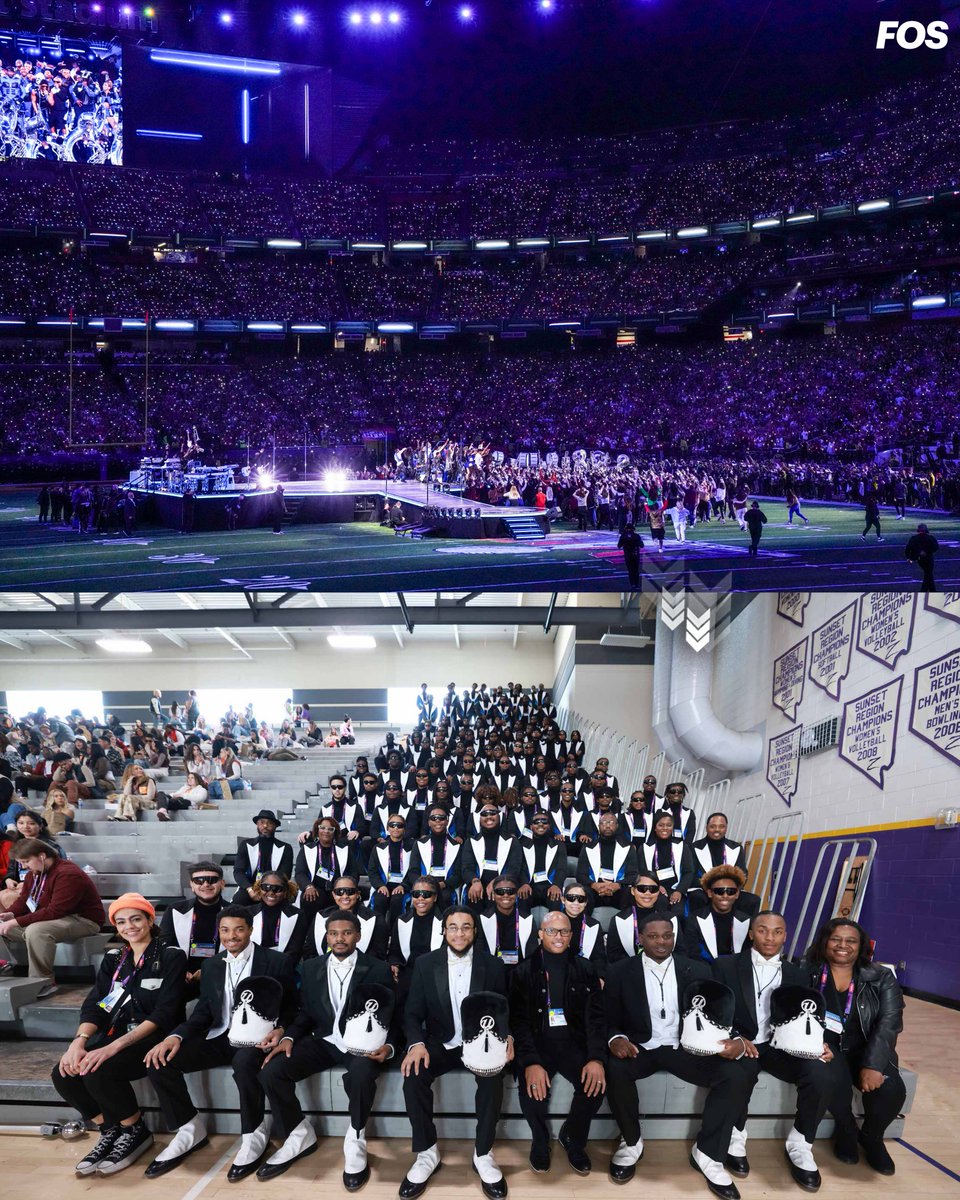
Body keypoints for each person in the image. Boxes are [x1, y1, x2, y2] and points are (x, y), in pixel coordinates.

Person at [143, 905, 298, 1180]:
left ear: (251, 930)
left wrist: (281, 1029)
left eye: (239, 929)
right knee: (160, 1062)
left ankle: (254, 1132)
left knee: (244, 1062)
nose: (231, 936)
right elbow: (204, 1011)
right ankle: (189, 1128)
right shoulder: (212, 965)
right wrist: (175, 1036)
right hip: (220, 1035)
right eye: (225, 930)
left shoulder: (276, 962)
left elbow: (290, 1007)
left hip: (257, 1039)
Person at [604, 913, 750, 1199]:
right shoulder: (619, 971)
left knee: (734, 1074)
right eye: (654, 936)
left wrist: (735, 1039)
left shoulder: (697, 969)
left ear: (674, 937)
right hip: (641, 1046)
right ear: (641, 938)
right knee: (615, 1069)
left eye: (667, 935)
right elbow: (607, 1017)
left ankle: (708, 1153)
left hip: (684, 1047)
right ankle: (631, 1142)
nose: (661, 941)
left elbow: (715, 1015)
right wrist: (615, 1038)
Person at [256, 911, 397, 1185]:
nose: (339, 938)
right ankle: (298, 1133)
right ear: (326, 936)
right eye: (333, 933)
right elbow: (306, 1013)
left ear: (358, 935)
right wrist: (289, 1037)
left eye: (346, 933)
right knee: (271, 1072)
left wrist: (390, 1046)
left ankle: (356, 1138)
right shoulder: (310, 967)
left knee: (360, 1076)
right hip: (324, 1039)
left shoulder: (378, 968)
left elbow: (392, 1013)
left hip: (361, 1044)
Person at [52, 894, 186, 1176]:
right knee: (63, 1072)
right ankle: (109, 1128)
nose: (129, 927)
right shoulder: (114, 959)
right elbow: (97, 1004)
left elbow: (164, 1013)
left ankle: (134, 1129)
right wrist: (79, 1042)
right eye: (121, 922)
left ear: (150, 920)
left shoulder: (171, 956)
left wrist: (113, 1048)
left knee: (98, 1071)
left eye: (136, 918)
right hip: (116, 1034)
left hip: (154, 1038)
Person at [713, 911, 838, 1190]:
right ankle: (736, 1137)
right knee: (739, 1074)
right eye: (763, 930)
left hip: (781, 1046)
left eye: (777, 932)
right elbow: (716, 1010)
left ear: (785, 935)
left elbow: (808, 1015)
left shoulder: (798, 973)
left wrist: (818, 1044)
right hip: (743, 1041)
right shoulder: (725, 965)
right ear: (750, 933)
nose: (770, 937)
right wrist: (735, 1037)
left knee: (820, 1074)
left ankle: (801, 1143)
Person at [400, 906, 512, 1200]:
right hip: (442, 1042)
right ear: (444, 930)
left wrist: (507, 1037)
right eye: (453, 927)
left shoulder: (494, 965)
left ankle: (483, 1152)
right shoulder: (425, 964)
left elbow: (504, 1010)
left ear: (475, 931)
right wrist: (416, 1044)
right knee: (413, 1075)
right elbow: (411, 1013)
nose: (459, 933)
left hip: (481, 1042)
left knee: (492, 1078)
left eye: (466, 927)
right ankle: (426, 1152)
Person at [804, 917, 907, 1176]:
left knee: (891, 1088)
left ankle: (872, 1137)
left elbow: (889, 1023)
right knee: (831, 1077)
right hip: (824, 1046)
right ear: (824, 941)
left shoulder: (881, 976)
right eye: (836, 939)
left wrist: (872, 1064)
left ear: (861, 946)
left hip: (865, 1046)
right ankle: (847, 1129)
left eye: (851, 941)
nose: (843, 945)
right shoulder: (808, 971)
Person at [509, 912, 606, 1175]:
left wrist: (596, 1058)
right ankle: (540, 1141)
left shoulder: (585, 969)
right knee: (531, 1091)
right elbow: (518, 1023)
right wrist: (530, 1062)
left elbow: (596, 1019)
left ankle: (573, 1137)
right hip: (539, 1045)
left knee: (594, 1086)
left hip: (573, 1044)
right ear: (540, 934)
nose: (559, 936)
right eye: (551, 931)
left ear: (571, 935)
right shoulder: (523, 971)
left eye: (564, 931)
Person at [0, 837, 105, 997]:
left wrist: (16, 922)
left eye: (26, 861)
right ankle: (5, 966)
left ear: (42, 856)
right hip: (53, 919)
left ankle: (42, 982)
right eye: (21, 862)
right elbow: (24, 901)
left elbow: (56, 910)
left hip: (82, 920)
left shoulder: (68, 873)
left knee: (36, 931)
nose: (23, 866)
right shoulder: (33, 874)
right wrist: (11, 914)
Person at [158, 861, 226, 986]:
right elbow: (164, 944)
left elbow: (241, 949)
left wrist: (210, 970)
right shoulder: (175, 910)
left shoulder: (235, 912)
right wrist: (180, 970)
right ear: (191, 885)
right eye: (199, 880)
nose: (206, 884)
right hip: (183, 976)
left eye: (212, 879)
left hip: (222, 975)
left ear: (222, 883)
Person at [607, 872, 680, 963]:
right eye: (642, 889)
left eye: (653, 889)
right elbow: (613, 956)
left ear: (658, 892)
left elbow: (681, 953)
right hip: (631, 972)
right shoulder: (619, 920)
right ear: (633, 891)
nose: (647, 893)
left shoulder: (672, 919)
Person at [684, 866, 752, 963]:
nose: (725, 896)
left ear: (737, 894)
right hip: (705, 971)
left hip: (736, 972)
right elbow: (692, 953)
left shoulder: (747, 921)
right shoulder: (694, 919)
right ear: (710, 893)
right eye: (719, 891)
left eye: (730, 892)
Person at [576, 810, 638, 913]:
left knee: (629, 893)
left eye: (611, 822)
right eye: (604, 823)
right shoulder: (588, 847)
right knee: (584, 892)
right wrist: (594, 885)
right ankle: (586, 926)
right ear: (599, 826)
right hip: (594, 889)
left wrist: (617, 885)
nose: (608, 826)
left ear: (617, 826)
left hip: (618, 889)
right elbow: (580, 874)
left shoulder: (628, 848)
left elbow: (633, 874)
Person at [233, 810, 294, 903]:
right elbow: (238, 871)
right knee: (239, 900)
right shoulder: (246, 844)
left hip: (274, 889)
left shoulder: (285, 848)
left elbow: (285, 875)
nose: (265, 826)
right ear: (257, 824)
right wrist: (249, 889)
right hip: (250, 887)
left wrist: (268, 891)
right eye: (262, 822)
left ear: (275, 826)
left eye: (269, 823)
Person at [247, 872, 308, 961]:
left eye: (277, 889)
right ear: (260, 889)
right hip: (253, 963)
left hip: (284, 964)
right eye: (266, 887)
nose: (271, 892)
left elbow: (295, 950)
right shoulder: (248, 912)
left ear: (285, 891)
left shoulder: (297, 915)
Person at [638, 812, 695, 906]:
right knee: (661, 903)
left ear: (673, 828)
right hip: (653, 889)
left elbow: (688, 872)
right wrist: (656, 886)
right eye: (661, 825)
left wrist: (679, 891)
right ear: (655, 828)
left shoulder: (682, 846)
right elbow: (642, 872)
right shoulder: (645, 848)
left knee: (678, 912)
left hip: (677, 889)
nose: (665, 828)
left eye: (669, 825)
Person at [559, 884, 606, 976]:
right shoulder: (553, 922)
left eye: (581, 899)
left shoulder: (594, 925)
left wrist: (600, 977)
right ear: (563, 900)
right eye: (571, 898)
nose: (576, 903)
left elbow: (599, 958)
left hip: (585, 974)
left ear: (586, 902)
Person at [905, 523, 939, 592]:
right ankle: (929, 591)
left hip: (919, 559)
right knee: (928, 573)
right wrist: (926, 552)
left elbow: (908, 549)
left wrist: (909, 557)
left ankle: (929, 590)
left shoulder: (914, 538)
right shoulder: (930, 538)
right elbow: (936, 547)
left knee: (928, 574)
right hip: (929, 558)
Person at [617, 523, 644, 588]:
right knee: (636, 570)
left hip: (628, 555)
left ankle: (632, 584)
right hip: (635, 554)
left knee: (630, 570)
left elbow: (619, 546)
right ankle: (637, 583)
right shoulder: (636, 536)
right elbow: (642, 545)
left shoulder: (623, 536)